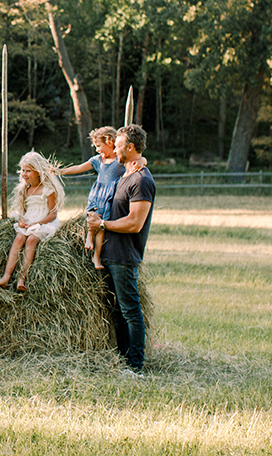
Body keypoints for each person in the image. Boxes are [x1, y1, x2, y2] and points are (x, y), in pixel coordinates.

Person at [87, 124, 155, 374]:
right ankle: (123, 358)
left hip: (124, 256)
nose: (114, 150)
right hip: (110, 252)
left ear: (131, 147)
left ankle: (135, 364)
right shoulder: (126, 173)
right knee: (117, 311)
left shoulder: (142, 180)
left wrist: (102, 223)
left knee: (131, 311)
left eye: (117, 146)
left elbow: (135, 223)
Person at [58, 127, 145, 270]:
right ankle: (88, 238)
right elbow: (79, 167)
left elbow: (137, 157)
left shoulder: (120, 159)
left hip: (109, 197)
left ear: (110, 142)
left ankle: (96, 256)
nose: (97, 149)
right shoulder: (98, 160)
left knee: (101, 226)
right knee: (92, 216)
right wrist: (59, 171)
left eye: (99, 146)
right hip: (97, 194)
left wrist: (142, 160)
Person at [0, 151, 64, 293]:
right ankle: (6, 277)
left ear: (38, 171)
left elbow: (53, 214)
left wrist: (38, 223)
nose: (24, 174)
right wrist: (22, 220)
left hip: (45, 223)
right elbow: (24, 212)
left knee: (31, 240)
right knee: (19, 238)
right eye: (23, 170)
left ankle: (22, 278)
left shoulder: (48, 190)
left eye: (28, 171)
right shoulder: (25, 189)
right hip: (30, 221)